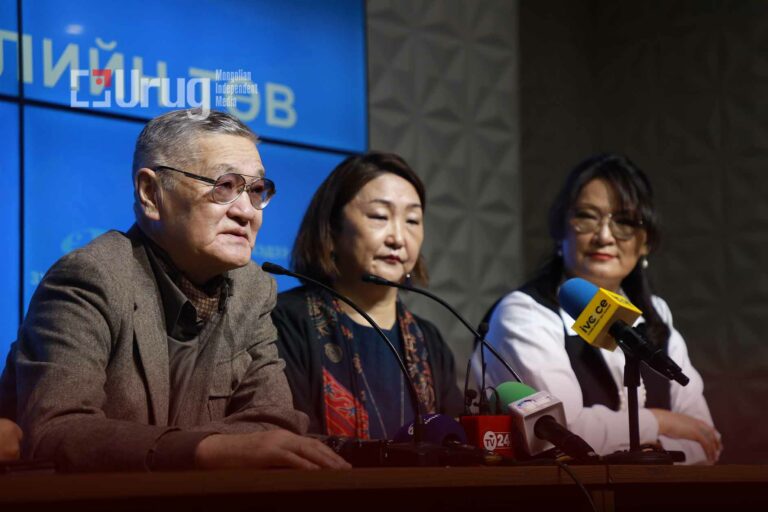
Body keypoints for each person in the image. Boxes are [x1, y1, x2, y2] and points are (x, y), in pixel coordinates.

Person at [0, 108, 348, 472]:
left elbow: (274, 422)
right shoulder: (90, 278)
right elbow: (57, 432)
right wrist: (206, 450)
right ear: (151, 193)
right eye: (224, 186)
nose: (247, 212)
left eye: (257, 190)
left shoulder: (253, 288)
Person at [476, 153, 721, 464]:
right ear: (561, 228)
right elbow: (564, 433)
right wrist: (661, 423)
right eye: (587, 217)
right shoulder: (524, 313)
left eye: (624, 221)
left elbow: (706, 441)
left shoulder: (656, 314)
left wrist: (651, 450)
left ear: (645, 242)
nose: (604, 236)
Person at [272, 151, 463, 439]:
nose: (398, 238)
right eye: (379, 216)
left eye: (412, 220)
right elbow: (290, 439)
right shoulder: (286, 321)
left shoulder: (428, 340)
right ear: (332, 229)